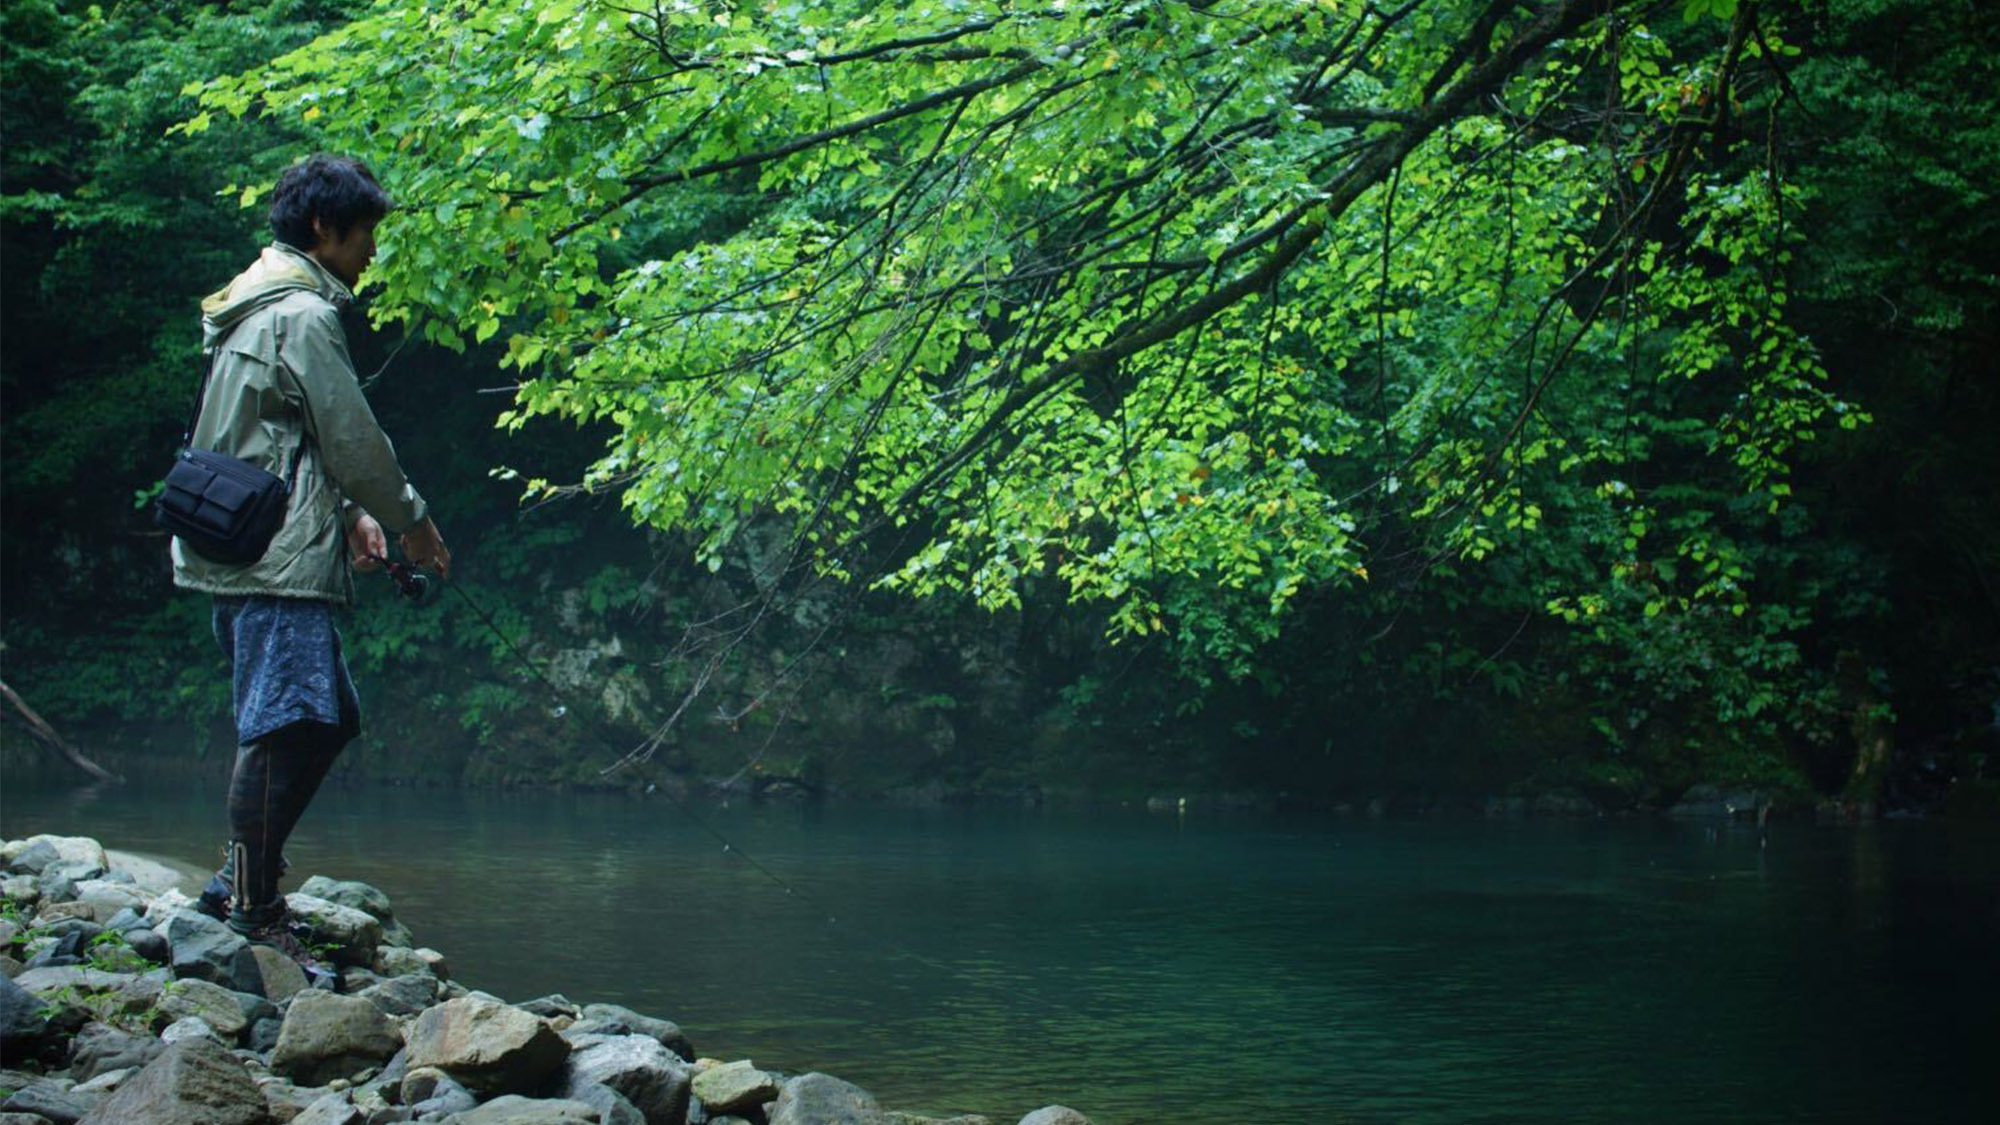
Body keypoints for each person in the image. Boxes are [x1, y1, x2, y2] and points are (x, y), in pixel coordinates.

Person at [172, 153, 449, 977]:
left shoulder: (257, 305)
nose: (372, 251)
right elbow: (353, 439)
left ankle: (239, 882)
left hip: (260, 544)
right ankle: (251, 905)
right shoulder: (300, 315)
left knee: (324, 718)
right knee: (286, 725)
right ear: (325, 230)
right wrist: (413, 524)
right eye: (366, 234)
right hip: (274, 559)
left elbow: (279, 437)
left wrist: (352, 516)